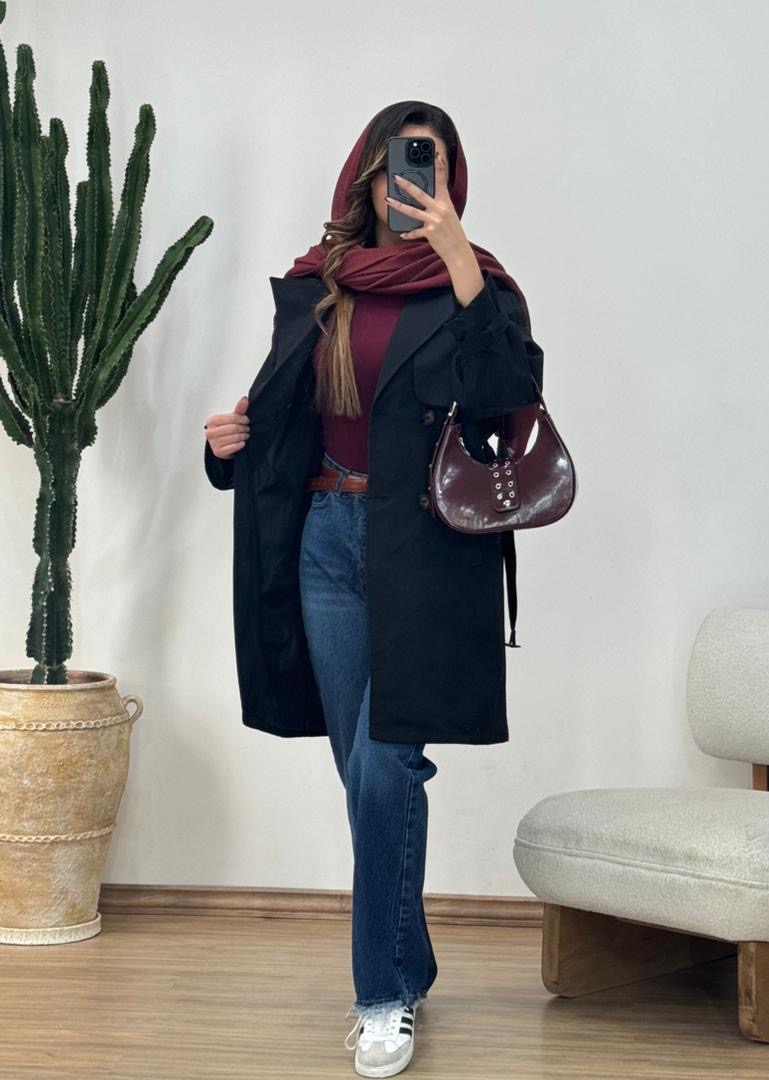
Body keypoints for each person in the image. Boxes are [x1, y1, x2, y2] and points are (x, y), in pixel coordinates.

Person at [204, 100, 544, 1077]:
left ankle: (382, 997)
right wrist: (225, 445)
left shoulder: (482, 287)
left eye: (430, 164)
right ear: (368, 173)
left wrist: (461, 259)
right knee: (366, 773)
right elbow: (280, 420)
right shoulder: (318, 285)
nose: (411, 181)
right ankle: (409, 960)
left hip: (424, 548)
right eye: (399, 162)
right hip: (324, 539)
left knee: (389, 765)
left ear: (451, 179)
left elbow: (508, 401)